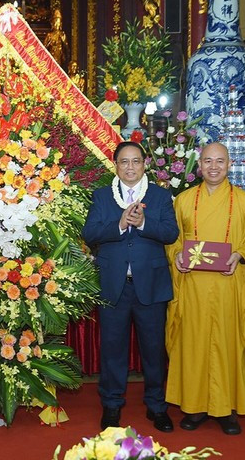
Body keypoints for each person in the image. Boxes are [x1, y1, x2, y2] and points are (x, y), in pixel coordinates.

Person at [165, 142, 245, 435]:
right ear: (199, 165)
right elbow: (172, 239)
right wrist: (175, 256)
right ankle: (196, 407)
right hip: (193, 289)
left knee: (228, 345)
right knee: (194, 345)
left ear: (229, 165)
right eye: (208, 161)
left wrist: (240, 255)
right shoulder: (184, 200)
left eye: (220, 161)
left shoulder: (244, 202)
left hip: (229, 287)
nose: (214, 167)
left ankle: (227, 409)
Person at [82, 141, 179, 432]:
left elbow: (171, 233)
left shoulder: (161, 197)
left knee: (153, 350)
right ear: (115, 165)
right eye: (124, 162)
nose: (130, 167)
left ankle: (157, 406)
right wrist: (120, 223)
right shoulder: (101, 196)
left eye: (135, 161)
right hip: (114, 287)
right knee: (113, 350)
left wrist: (146, 222)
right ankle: (111, 406)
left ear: (144, 164)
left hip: (150, 285)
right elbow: (89, 233)